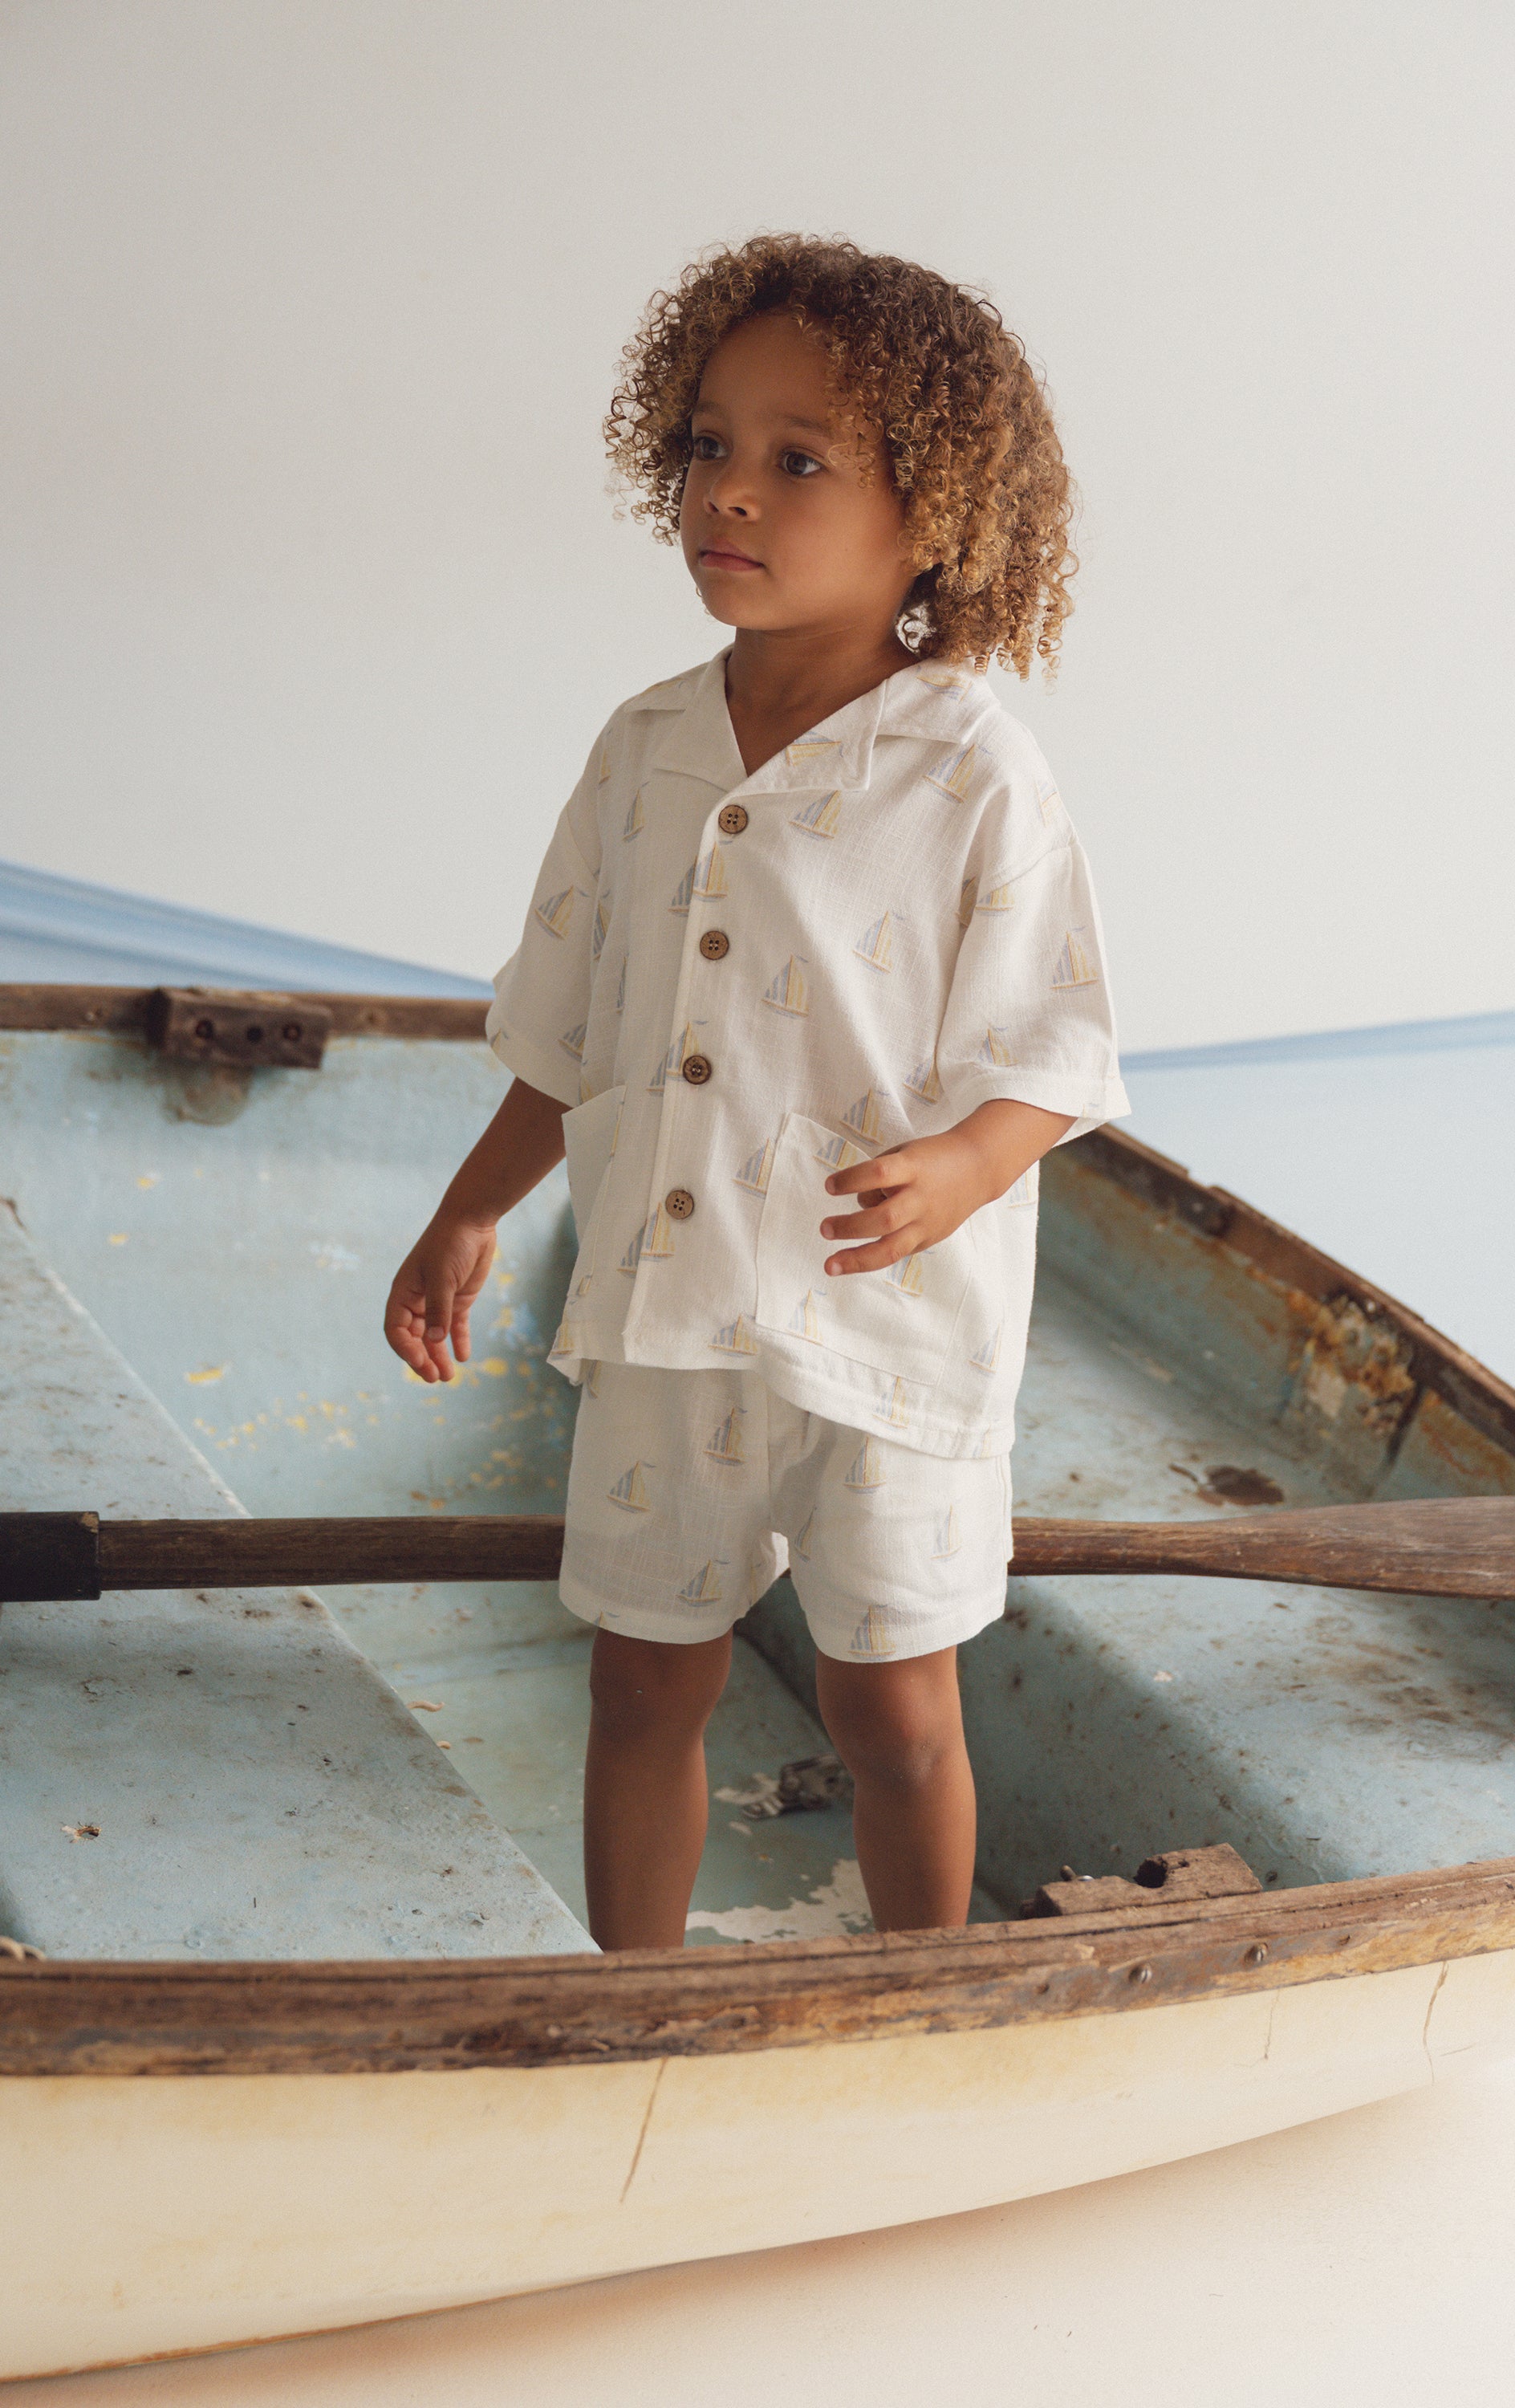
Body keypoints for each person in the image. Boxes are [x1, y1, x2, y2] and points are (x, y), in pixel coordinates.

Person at [384, 234, 1129, 1949]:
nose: (729, 489)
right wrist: (472, 1211)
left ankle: (919, 1999)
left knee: (895, 1711)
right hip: (671, 1308)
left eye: (800, 461)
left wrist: (968, 1165)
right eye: (711, 443)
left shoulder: (972, 771)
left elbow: (1057, 1046)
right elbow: (572, 1030)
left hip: (885, 1329)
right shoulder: (644, 749)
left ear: (932, 515)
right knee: (644, 1684)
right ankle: (635, 2007)